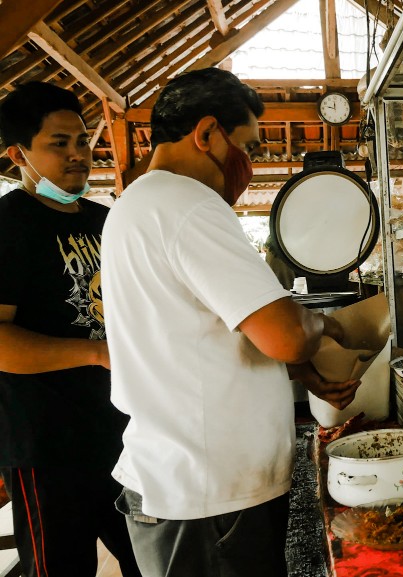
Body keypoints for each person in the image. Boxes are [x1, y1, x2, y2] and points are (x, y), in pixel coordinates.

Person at [101, 68, 361, 576]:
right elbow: (286, 335)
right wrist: (323, 327)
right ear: (206, 134)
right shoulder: (187, 203)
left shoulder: (136, 205)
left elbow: (190, 343)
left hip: (190, 488)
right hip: (209, 500)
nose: (251, 162)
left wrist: (296, 373)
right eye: (249, 146)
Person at [0, 82, 142, 577]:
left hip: (124, 432)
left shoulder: (108, 220)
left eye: (82, 141)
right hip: (47, 443)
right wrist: (97, 353)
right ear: (18, 154)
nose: (78, 154)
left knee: (150, 559)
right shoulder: (8, 225)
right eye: (57, 144)